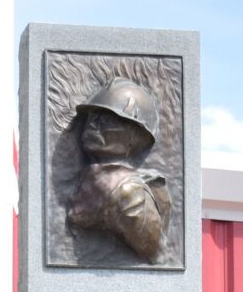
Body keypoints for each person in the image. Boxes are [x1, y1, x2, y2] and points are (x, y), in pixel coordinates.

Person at [65, 78, 171, 262]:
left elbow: (154, 250)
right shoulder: (91, 176)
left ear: (136, 135)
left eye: (106, 119)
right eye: (92, 116)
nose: (93, 124)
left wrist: (114, 198)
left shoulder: (128, 191)